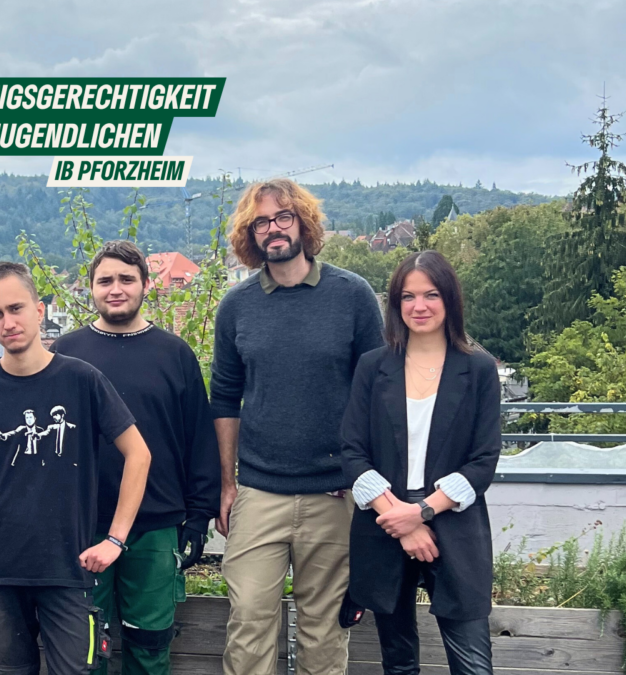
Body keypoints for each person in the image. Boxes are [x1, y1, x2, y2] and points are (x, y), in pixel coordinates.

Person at [0, 262, 152, 675]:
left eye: (16, 308)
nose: (8, 322)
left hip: (69, 570)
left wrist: (115, 540)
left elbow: (139, 454)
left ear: (39, 309)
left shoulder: (82, 380)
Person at [210, 178, 385, 675]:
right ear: (251, 235)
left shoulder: (351, 296)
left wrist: (362, 478)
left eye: (283, 217)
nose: (273, 229)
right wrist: (228, 484)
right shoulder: (237, 306)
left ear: (304, 223)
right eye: (261, 222)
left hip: (334, 495)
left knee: (324, 633)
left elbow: (375, 394)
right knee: (248, 626)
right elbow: (224, 399)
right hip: (260, 492)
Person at [51, 240, 220, 675]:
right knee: (86, 651)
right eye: (104, 280)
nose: (116, 289)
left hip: (157, 526)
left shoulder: (174, 353)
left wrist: (199, 517)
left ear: (146, 284)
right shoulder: (64, 355)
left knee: (150, 646)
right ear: (90, 289)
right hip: (83, 526)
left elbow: (199, 440)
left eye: (127, 279)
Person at [341, 251, 500, 675]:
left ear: (449, 299)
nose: (419, 306)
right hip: (384, 524)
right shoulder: (373, 367)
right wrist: (399, 516)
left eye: (431, 294)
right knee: (398, 663)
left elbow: (483, 461)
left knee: (472, 664)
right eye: (407, 297)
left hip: (453, 523)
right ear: (396, 305)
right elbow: (352, 451)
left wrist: (423, 512)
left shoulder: (479, 369)